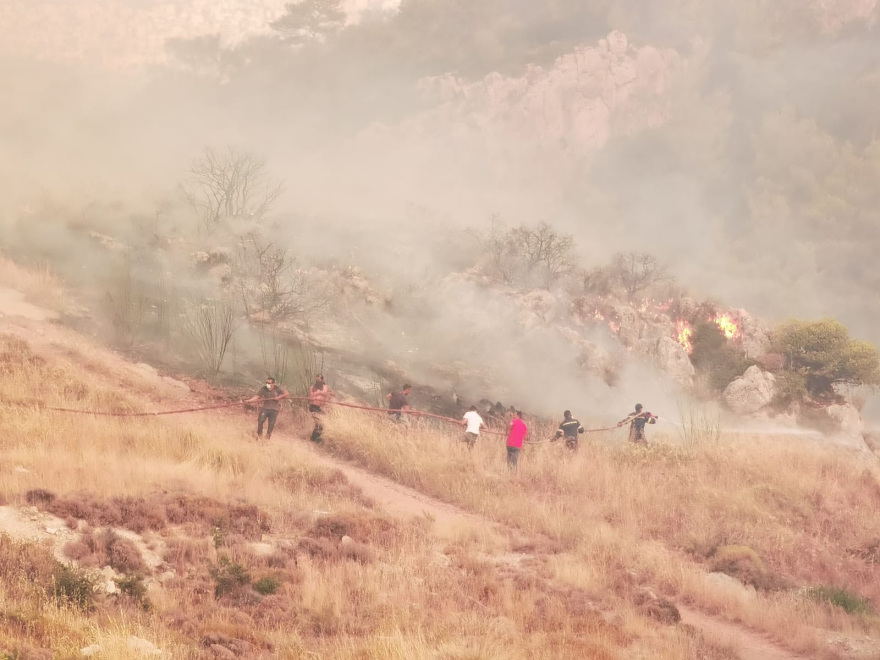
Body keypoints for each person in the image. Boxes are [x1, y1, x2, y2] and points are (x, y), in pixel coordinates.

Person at [307, 374, 334, 443]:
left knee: (321, 424)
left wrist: (328, 395)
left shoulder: (326, 387)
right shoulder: (312, 387)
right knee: (319, 422)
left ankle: (313, 439)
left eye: (319, 379)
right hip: (313, 406)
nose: (317, 381)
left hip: (321, 407)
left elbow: (333, 394)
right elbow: (310, 397)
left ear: (322, 380)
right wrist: (319, 393)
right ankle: (316, 439)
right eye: (316, 379)